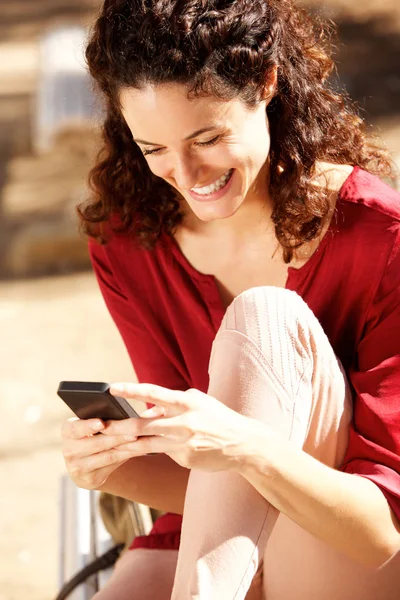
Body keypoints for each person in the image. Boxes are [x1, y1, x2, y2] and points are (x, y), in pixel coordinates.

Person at [60, 0, 400, 598]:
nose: (187, 173)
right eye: (154, 148)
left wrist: (245, 448)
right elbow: (202, 480)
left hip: (345, 542)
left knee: (266, 318)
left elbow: (380, 533)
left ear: (266, 83)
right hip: (211, 534)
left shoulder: (381, 238)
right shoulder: (128, 244)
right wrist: (115, 465)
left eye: (208, 137)